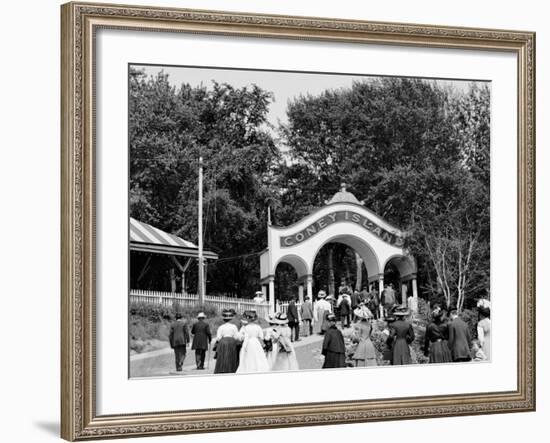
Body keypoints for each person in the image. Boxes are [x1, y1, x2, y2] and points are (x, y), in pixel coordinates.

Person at [213, 309, 240, 374]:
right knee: (231, 355)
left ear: (224, 319)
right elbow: (236, 336)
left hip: (223, 341)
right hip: (231, 341)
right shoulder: (234, 326)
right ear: (231, 319)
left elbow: (218, 337)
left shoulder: (221, 327)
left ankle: (222, 368)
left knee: (223, 356)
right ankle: (231, 368)